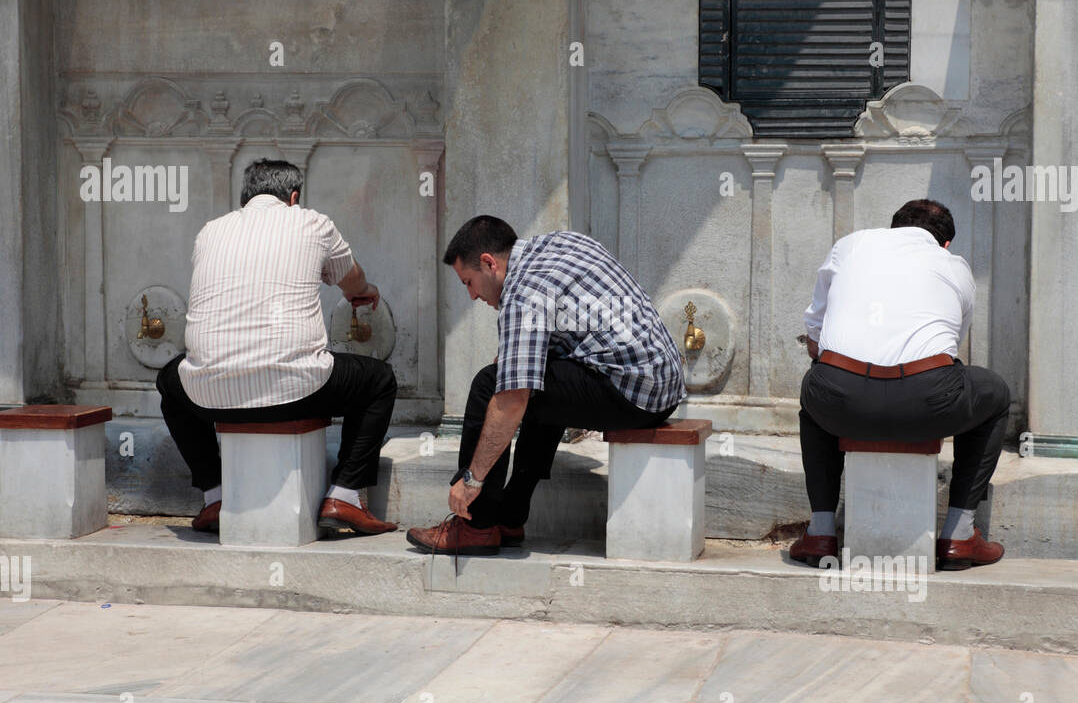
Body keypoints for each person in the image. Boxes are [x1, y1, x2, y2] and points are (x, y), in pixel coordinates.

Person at [406, 215, 687, 555]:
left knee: (491, 386)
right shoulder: (560, 244)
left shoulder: (523, 294)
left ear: (489, 263)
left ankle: (476, 525)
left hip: (632, 394)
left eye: (469, 282)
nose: (471, 296)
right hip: (662, 385)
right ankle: (510, 515)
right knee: (530, 376)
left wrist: (471, 480)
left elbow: (511, 401)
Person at [156, 159, 398, 537]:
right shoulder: (312, 223)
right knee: (379, 380)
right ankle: (345, 496)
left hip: (207, 396)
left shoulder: (210, 232)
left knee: (170, 382)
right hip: (296, 391)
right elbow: (352, 280)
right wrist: (364, 293)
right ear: (294, 197)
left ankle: (215, 496)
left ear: (245, 197)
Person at [793, 199, 1010, 570]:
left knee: (816, 393)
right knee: (996, 394)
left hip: (841, 401)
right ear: (944, 244)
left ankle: (821, 532)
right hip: (924, 400)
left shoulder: (851, 245)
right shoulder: (953, 266)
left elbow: (815, 335)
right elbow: (947, 347)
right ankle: (959, 535)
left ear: (894, 228)